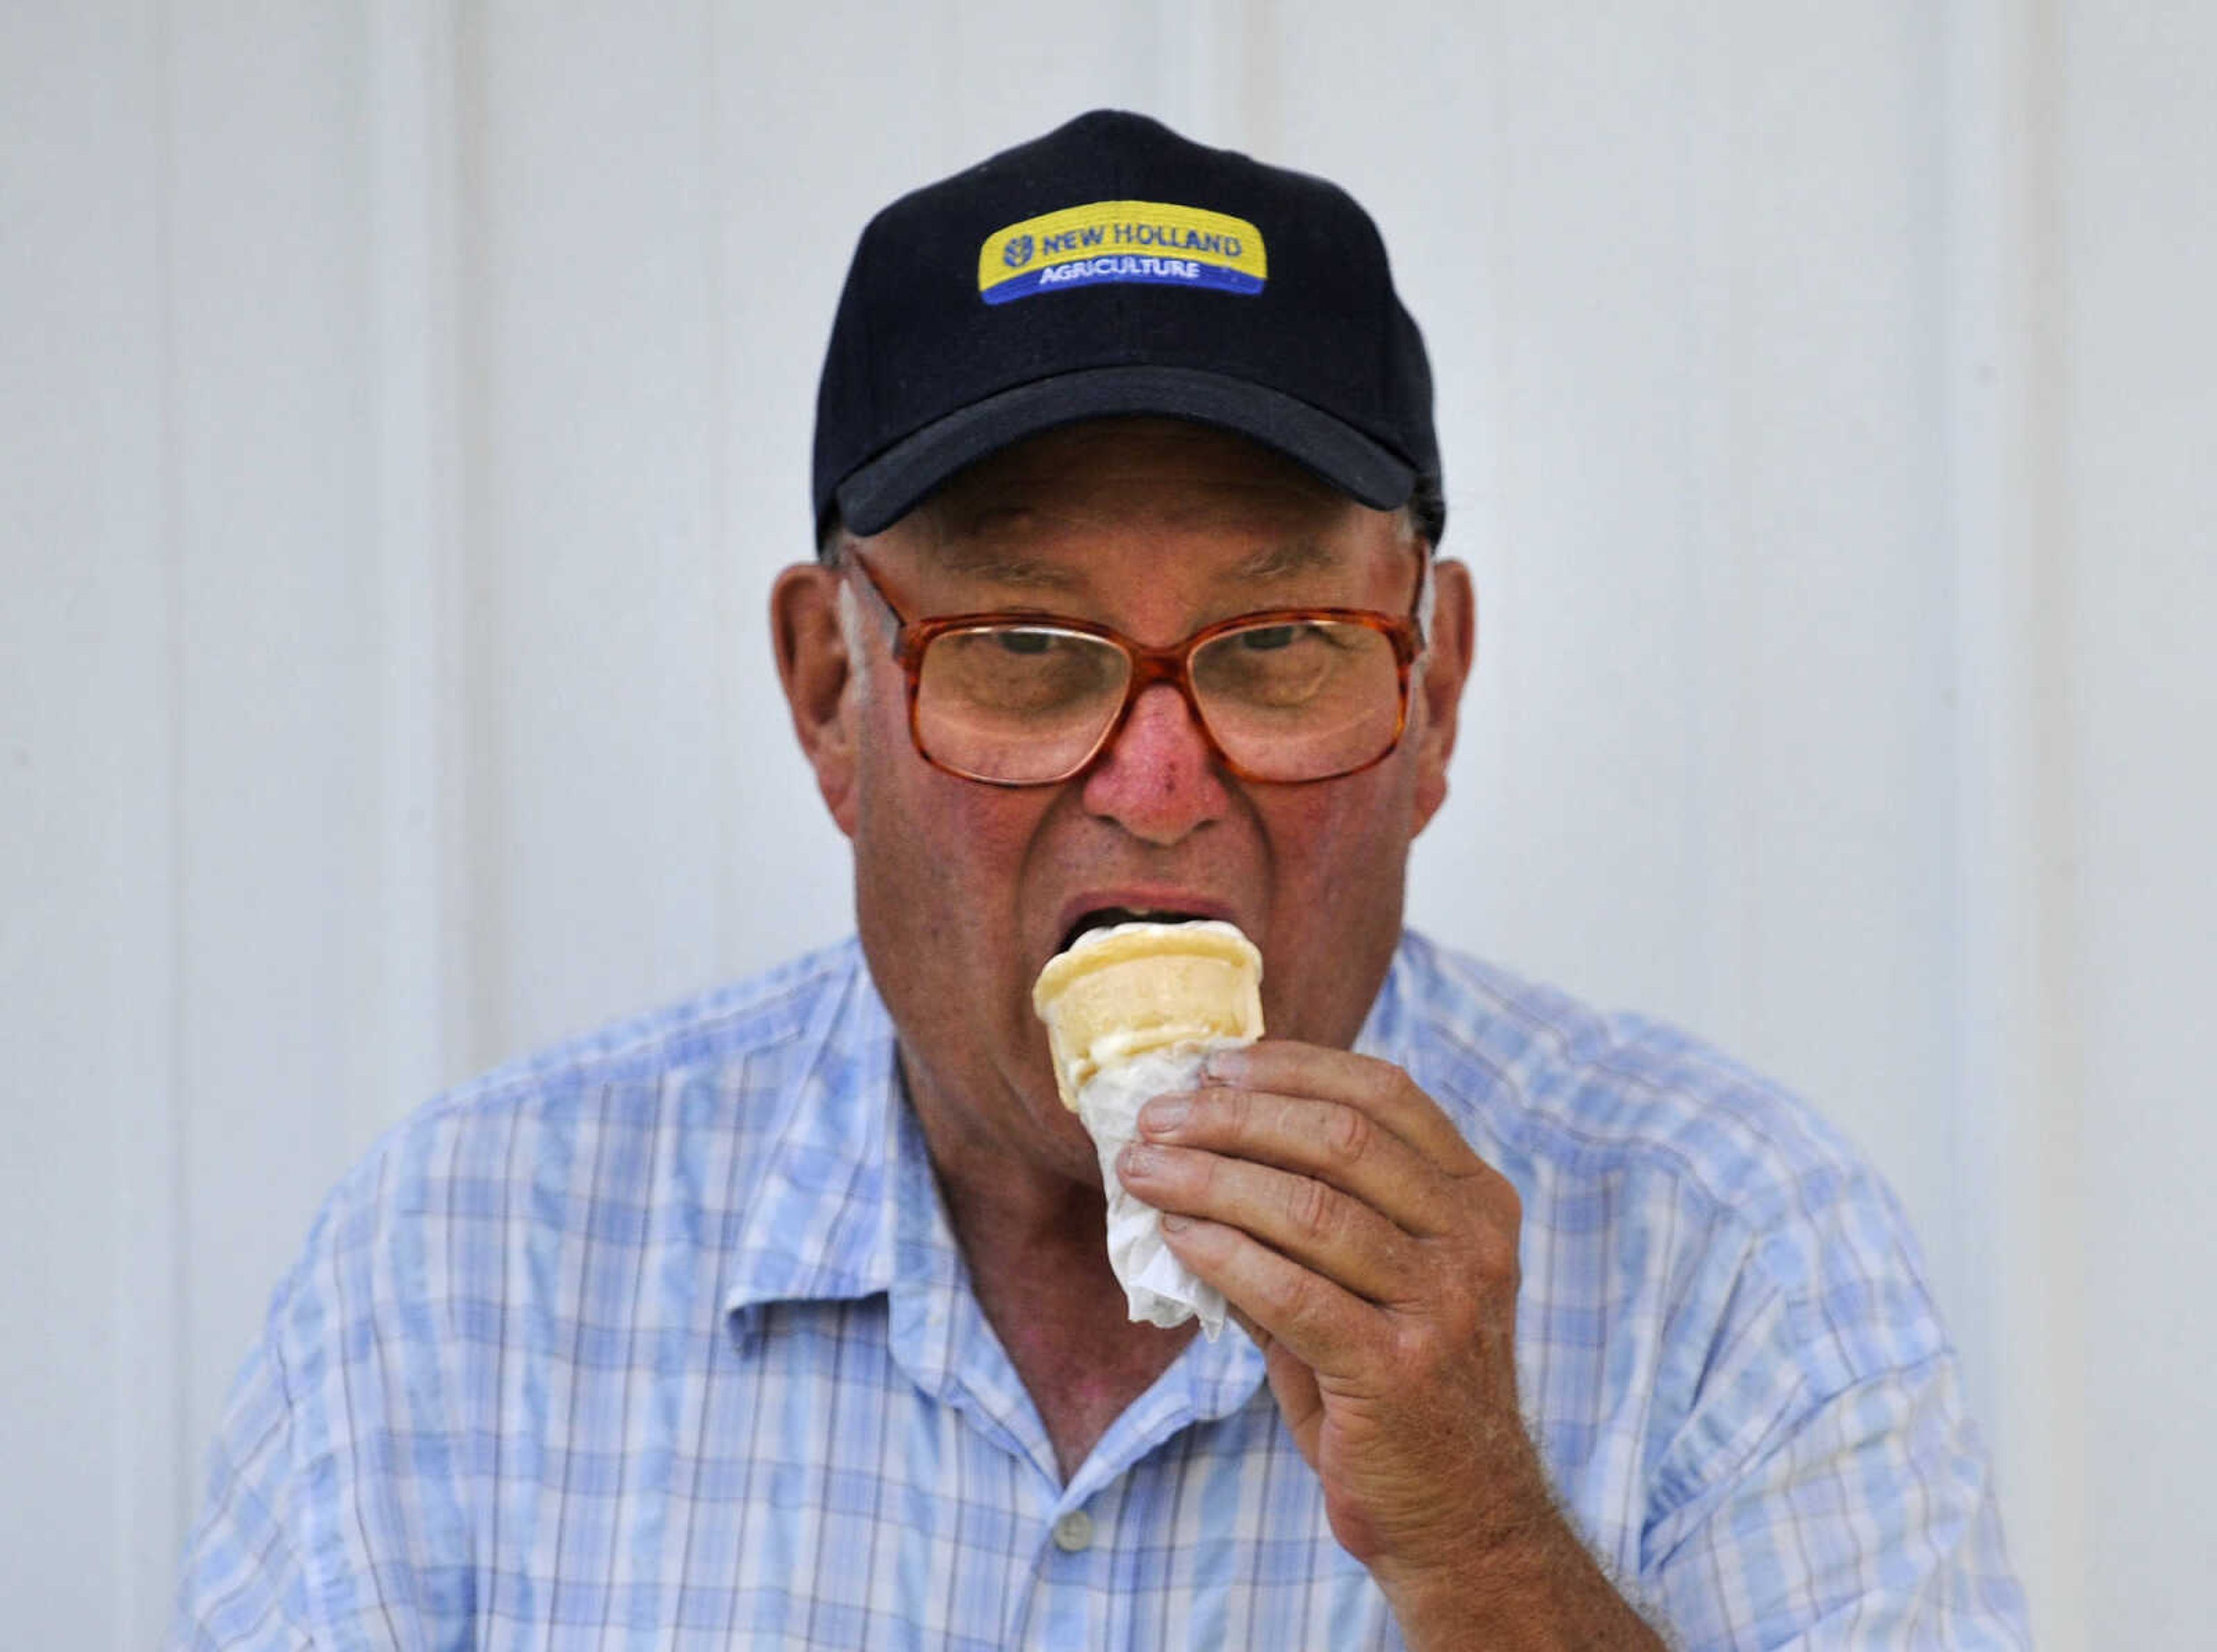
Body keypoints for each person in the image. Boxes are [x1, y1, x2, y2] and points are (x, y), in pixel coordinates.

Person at [174, 110, 2029, 1649]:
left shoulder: (1734, 1257)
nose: (1157, 788)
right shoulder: (464, 1272)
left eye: (1284, 644)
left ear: (1432, 693)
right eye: (1027, 647)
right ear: (834, 701)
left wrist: (1479, 1542)